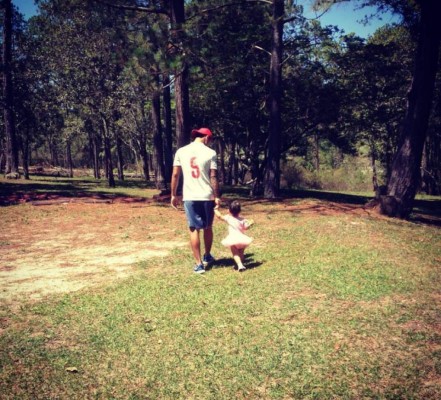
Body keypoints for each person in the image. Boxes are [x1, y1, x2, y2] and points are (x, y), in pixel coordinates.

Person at [171, 127, 221, 274]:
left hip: (190, 196)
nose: (210, 142)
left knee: (193, 229)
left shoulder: (181, 151)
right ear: (206, 137)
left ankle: (199, 264)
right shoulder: (210, 153)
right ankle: (207, 255)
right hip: (207, 195)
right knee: (208, 227)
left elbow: (175, 174)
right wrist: (217, 196)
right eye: (210, 139)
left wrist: (173, 194)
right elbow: (213, 176)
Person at [214, 200, 254, 272]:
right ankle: (240, 263)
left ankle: (239, 265)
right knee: (241, 252)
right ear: (240, 211)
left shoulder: (229, 218)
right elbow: (246, 227)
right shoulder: (243, 220)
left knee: (235, 253)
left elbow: (220, 216)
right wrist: (250, 224)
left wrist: (215, 209)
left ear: (229, 210)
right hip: (242, 239)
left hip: (233, 239)